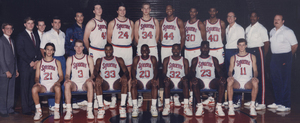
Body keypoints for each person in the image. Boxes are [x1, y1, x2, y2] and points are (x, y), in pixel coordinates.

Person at [267, 14, 298, 112]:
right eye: (275, 19)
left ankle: (286, 104)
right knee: (275, 80)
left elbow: (295, 45)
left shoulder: (288, 31)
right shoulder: (271, 31)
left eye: (278, 19)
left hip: (285, 56)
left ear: (283, 21)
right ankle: (278, 102)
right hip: (274, 57)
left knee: (285, 81)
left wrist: (288, 57)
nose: (276, 21)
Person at [107, 2, 134, 107]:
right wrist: (116, 46)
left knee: (129, 74)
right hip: (116, 49)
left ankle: (129, 96)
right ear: (117, 11)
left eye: (124, 10)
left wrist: (125, 43)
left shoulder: (130, 22)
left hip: (127, 49)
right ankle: (114, 97)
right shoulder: (112, 22)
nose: (122, 12)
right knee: (115, 73)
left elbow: (131, 37)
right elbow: (109, 38)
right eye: (120, 10)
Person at [190, 41, 226, 117]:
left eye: (207, 47)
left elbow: (219, 71)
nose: (205, 49)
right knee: (195, 82)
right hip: (200, 81)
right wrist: (193, 77)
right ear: (200, 48)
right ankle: (200, 107)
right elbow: (192, 71)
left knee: (222, 82)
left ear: (209, 49)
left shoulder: (214, 59)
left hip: (211, 81)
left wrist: (222, 77)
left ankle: (218, 107)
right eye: (203, 47)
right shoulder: (195, 59)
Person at [94, 43, 129, 119]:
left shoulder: (118, 59)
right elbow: (95, 72)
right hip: (105, 82)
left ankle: (122, 107)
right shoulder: (100, 60)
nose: (108, 51)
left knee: (125, 81)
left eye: (110, 49)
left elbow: (126, 71)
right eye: (106, 50)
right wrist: (98, 76)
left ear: (113, 50)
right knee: (97, 82)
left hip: (116, 82)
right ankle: (101, 108)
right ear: (104, 51)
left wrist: (124, 75)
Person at [16, 17, 42, 115]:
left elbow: (38, 49)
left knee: (32, 86)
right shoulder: (21, 36)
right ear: (24, 24)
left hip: (34, 65)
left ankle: (32, 105)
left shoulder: (35, 34)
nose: (30, 25)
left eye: (32, 23)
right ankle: (25, 108)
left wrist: (36, 62)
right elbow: (20, 51)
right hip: (25, 66)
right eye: (28, 23)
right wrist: (29, 61)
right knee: (25, 87)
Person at [244, 11, 269, 110]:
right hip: (249, 51)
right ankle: (253, 99)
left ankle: (262, 102)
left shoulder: (261, 28)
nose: (252, 18)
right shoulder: (247, 28)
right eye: (251, 16)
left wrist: (264, 56)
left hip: (258, 51)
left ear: (258, 17)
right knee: (251, 75)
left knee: (260, 76)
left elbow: (266, 43)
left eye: (254, 16)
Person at [64, 40, 95, 120]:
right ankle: (69, 111)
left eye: (80, 46)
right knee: (67, 84)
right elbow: (67, 74)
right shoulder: (70, 59)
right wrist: (67, 79)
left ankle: (89, 110)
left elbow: (93, 74)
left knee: (90, 83)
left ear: (83, 48)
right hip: (75, 84)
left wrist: (90, 78)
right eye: (77, 46)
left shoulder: (88, 58)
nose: (78, 48)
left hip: (85, 83)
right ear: (74, 48)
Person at [227, 39, 259, 116]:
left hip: (248, 81)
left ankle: (252, 106)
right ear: (237, 46)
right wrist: (230, 76)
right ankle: (231, 106)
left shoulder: (252, 56)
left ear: (246, 46)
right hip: (236, 81)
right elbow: (230, 71)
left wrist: (255, 77)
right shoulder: (233, 57)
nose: (241, 47)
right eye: (240, 45)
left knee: (255, 82)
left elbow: (255, 70)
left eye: (243, 45)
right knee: (229, 81)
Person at [31, 43, 63, 120]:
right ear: (44, 50)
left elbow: (61, 76)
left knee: (58, 88)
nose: (49, 51)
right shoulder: (40, 62)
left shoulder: (57, 62)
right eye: (48, 49)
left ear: (53, 51)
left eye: (51, 50)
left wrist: (58, 81)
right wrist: (36, 82)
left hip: (53, 85)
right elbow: (36, 76)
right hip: (44, 85)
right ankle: (38, 111)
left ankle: (56, 110)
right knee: (34, 89)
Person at [184, 7, 206, 105]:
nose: (192, 13)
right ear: (189, 12)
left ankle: (199, 94)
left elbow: (204, 39)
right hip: (187, 50)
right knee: (188, 72)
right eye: (191, 11)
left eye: (194, 11)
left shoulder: (200, 23)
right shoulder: (185, 23)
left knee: (197, 72)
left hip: (196, 49)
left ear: (197, 12)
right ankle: (191, 94)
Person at [161, 44, 190, 116]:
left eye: (177, 49)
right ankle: (167, 106)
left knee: (186, 82)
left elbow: (187, 74)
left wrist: (185, 78)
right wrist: (165, 77)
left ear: (180, 50)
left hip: (180, 82)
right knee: (166, 82)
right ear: (171, 50)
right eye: (174, 49)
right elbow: (163, 73)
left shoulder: (185, 60)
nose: (176, 51)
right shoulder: (166, 59)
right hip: (170, 82)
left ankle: (186, 106)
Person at [131, 44, 158, 117]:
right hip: (139, 81)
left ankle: (153, 107)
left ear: (149, 51)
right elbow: (133, 69)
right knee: (133, 84)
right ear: (140, 51)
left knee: (155, 84)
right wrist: (134, 78)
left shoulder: (153, 58)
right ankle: (135, 107)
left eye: (146, 50)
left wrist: (154, 78)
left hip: (149, 80)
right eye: (143, 50)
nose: (144, 51)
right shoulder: (137, 58)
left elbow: (155, 69)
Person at [0, 23, 19, 117]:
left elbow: (14, 57)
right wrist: (6, 71)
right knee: (4, 91)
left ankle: (10, 109)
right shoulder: (1, 41)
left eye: (11, 28)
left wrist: (16, 69)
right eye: (7, 28)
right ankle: (3, 110)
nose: (9, 30)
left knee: (11, 90)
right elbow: (1, 58)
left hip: (12, 70)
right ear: (3, 30)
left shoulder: (12, 40)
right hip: (4, 72)